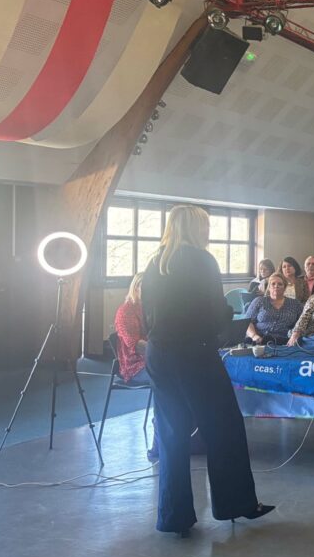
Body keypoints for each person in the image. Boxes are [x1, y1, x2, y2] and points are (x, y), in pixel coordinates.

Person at [140, 205, 273, 536]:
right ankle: (236, 504)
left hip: (159, 352)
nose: (208, 232)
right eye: (206, 226)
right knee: (223, 428)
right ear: (195, 228)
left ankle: (174, 516)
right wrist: (227, 316)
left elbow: (147, 315)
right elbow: (216, 313)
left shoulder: (155, 261)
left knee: (172, 433)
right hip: (194, 353)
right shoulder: (202, 260)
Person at [115, 273, 157, 461]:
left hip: (156, 361)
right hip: (135, 367)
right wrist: (164, 349)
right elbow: (135, 344)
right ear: (136, 288)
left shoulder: (151, 309)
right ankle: (159, 444)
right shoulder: (126, 311)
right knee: (167, 380)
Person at [244, 273, 303, 345]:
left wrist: (295, 335)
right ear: (269, 287)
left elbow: (303, 322)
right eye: (273, 284)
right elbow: (247, 322)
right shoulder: (259, 301)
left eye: (280, 284)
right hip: (259, 340)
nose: (276, 286)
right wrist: (254, 336)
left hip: (285, 341)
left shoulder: (295, 303)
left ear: (284, 287)